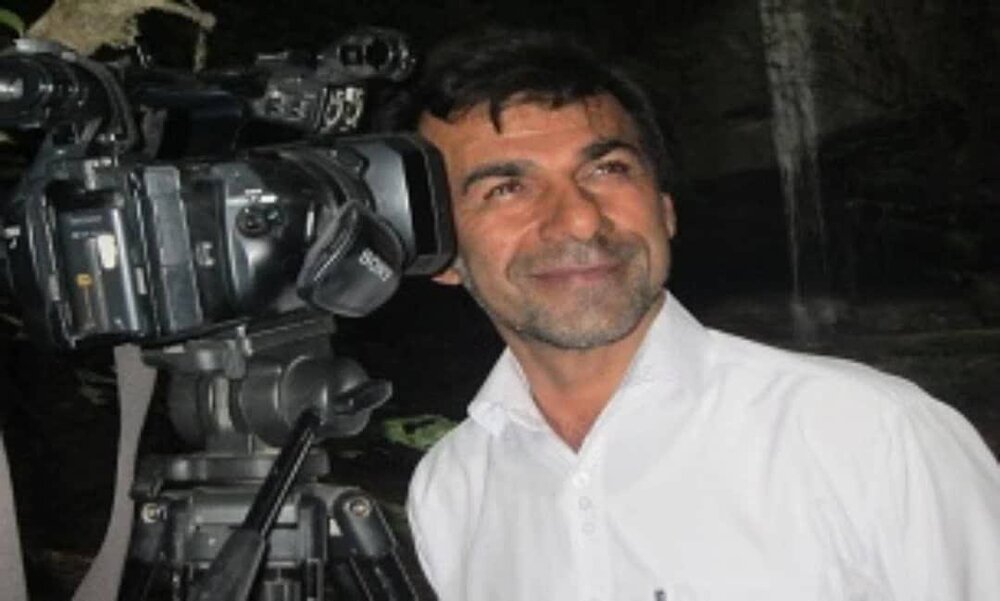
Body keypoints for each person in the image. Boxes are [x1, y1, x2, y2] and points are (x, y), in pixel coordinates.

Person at [397, 29, 1000, 600]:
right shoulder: (453, 489)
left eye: (607, 170)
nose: (579, 220)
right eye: (506, 188)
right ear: (439, 254)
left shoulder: (868, 435)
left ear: (665, 210)